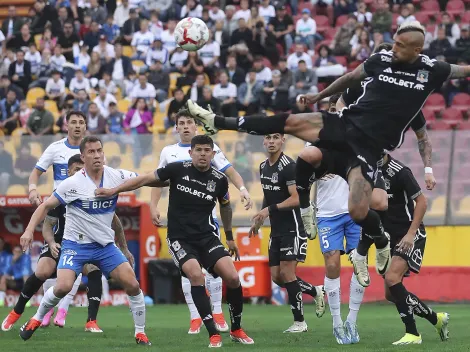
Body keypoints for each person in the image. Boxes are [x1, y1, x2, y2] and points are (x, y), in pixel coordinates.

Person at [184, 21, 469, 287]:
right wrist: (319, 98)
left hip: (368, 149)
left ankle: (380, 240)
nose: (393, 49)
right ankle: (217, 122)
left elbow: (463, 70)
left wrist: (428, 168)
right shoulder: (380, 61)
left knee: (359, 211)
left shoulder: (432, 69)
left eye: (399, 46)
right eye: (392, 43)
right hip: (345, 127)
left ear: (416, 50)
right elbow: (349, 77)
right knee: (292, 123)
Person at [95, 133, 253, 348]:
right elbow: (144, 180)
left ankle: (236, 329)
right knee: (196, 275)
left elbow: (225, 206)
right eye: (199, 150)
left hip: (207, 237)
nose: (203, 154)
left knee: (233, 277)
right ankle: (213, 333)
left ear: (213, 154)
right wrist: (114, 190)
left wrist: (229, 237)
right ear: (191, 152)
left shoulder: (219, 180)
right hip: (180, 238)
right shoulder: (177, 169)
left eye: (207, 150)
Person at [17, 136, 151, 345]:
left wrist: (171, 177)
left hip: (105, 246)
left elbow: (144, 179)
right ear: (83, 156)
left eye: (99, 150)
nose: (97, 155)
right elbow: (44, 207)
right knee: (62, 286)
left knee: (132, 284)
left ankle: (140, 332)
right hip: (75, 245)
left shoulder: (116, 176)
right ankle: (36, 318)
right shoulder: (72, 184)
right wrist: (28, 231)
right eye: (91, 152)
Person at [2, 154, 132, 333]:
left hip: (85, 243)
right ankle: (16, 311)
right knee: (42, 271)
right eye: (76, 169)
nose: (80, 172)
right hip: (59, 241)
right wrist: (50, 242)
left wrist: (124, 247)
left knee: (94, 269)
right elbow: (47, 226)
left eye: (82, 168)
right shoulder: (63, 191)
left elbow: (115, 222)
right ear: (68, 171)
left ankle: (91, 321)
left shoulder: (93, 191)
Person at [149, 111, 252, 335]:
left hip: (207, 220)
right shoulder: (169, 152)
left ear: (196, 127)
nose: (186, 127)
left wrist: (242, 189)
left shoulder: (208, 148)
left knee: (216, 270)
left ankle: (217, 312)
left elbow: (229, 171)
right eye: (181, 123)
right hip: (180, 222)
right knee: (190, 271)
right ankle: (195, 316)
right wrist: (153, 205)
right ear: (176, 128)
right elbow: (158, 181)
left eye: (190, 123)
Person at [25, 112, 105, 327]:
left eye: (81, 122)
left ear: (86, 125)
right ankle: (48, 309)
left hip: (86, 210)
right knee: (53, 262)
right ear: (66, 125)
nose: (78, 126)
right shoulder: (55, 148)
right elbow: (35, 174)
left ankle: (63, 311)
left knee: (80, 262)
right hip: (59, 210)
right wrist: (33, 189)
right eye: (74, 122)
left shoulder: (91, 150)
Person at [249, 133, 325, 333]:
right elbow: (268, 194)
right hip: (277, 229)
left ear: (283, 140)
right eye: (268, 138)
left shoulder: (289, 166)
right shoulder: (263, 166)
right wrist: (260, 218)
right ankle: (314, 290)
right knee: (277, 277)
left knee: (287, 273)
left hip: (294, 227)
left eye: (276, 137)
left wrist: (269, 210)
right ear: (263, 141)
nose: (271, 141)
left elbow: (298, 198)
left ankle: (300, 322)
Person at [304, 97, 366, 345]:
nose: (333, 112)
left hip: (355, 210)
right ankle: (337, 323)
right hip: (328, 213)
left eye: (336, 108)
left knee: (359, 264)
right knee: (332, 265)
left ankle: (352, 321)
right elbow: (306, 177)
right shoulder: (315, 142)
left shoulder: (356, 137)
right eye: (329, 109)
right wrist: (308, 205)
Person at [380, 154, 449, 345]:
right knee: (390, 293)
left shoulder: (400, 171)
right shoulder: (368, 169)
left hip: (410, 232)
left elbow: (422, 202)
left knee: (392, 278)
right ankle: (436, 319)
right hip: (389, 237)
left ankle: (413, 334)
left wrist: (410, 234)